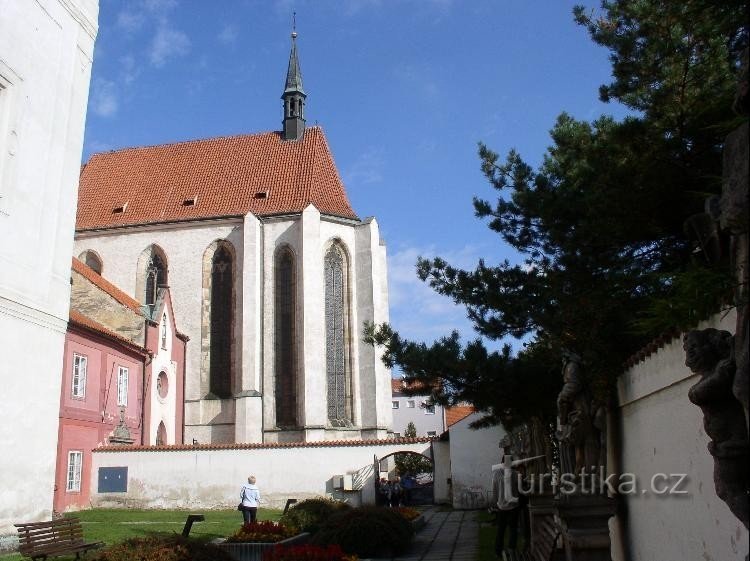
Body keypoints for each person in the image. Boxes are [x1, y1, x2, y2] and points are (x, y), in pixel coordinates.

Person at [490, 455, 520, 556]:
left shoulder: (496, 474)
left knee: (501, 530)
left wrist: (494, 503)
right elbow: (519, 489)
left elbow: (494, 490)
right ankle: (511, 549)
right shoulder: (516, 474)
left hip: (502, 506)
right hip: (513, 506)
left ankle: (498, 551)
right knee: (513, 529)